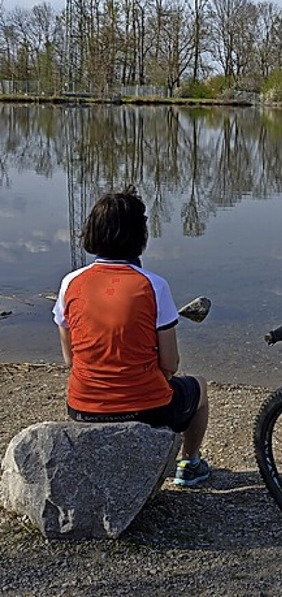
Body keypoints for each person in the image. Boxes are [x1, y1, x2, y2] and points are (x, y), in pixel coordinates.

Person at [52, 186, 210, 487]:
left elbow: (70, 358)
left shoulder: (70, 283)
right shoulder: (153, 285)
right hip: (146, 408)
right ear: (141, 236)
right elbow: (170, 363)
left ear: (91, 232)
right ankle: (189, 465)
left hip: (82, 406)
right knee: (199, 388)